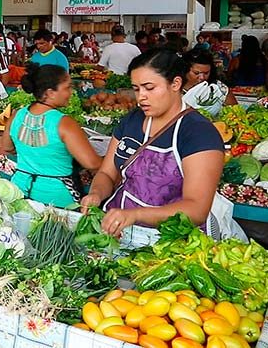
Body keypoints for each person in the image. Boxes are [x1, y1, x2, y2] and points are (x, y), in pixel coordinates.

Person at [81, 48, 225, 237]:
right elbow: (107, 173)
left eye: (149, 88)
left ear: (175, 84)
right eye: (136, 89)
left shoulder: (198, 133)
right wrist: (96, 194)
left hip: (169, 244)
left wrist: (135, 215)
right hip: (118, 231)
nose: (141, 97)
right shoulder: (131, 121)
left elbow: (196, 209)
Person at [2, 64, 101, 207]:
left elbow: (7, 147)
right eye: (67, 87)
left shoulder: (17, 115)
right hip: (56, 201)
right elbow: (93, 164)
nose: (71, 92)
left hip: (19, 194)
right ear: (50, 93)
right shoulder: (65, 123)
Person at [182, 48, 237, 114]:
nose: (202, 77)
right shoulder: (175, 89)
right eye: (196, 73)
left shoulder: (219, 89)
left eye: (206, 73)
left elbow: (235, 112)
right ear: (185, 71)